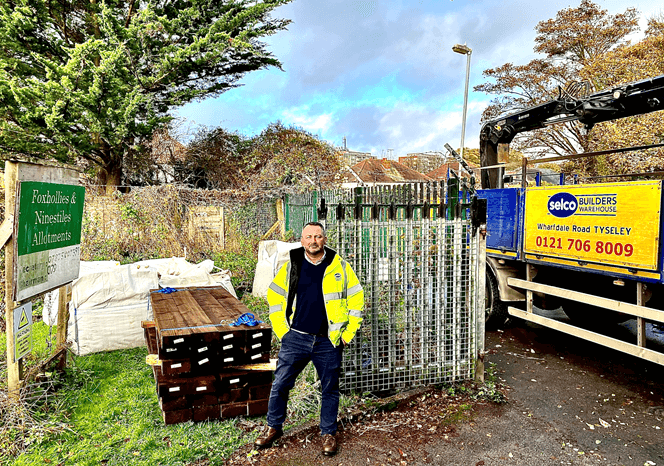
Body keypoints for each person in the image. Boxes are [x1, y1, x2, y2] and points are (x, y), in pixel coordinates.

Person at [255, 221, 364, 456]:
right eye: (308, 237)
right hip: (296, 338)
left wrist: (347, 334)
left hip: (328, 341)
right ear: (302, 240)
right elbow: (274, 294)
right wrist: (282, 330)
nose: (313, 241)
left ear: (324, 239)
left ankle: (328, 433)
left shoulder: (340, 266)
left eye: (317, 236)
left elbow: (356, 299)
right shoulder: (292, 265)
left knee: (330, 388)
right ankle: (273, 427)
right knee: (281, 383)